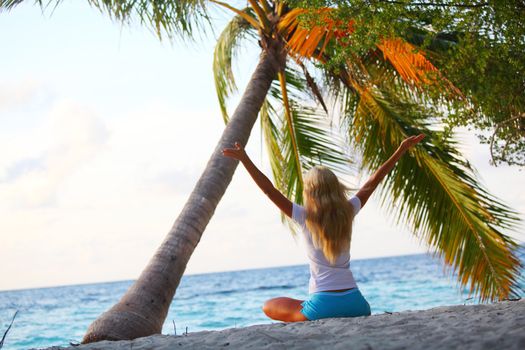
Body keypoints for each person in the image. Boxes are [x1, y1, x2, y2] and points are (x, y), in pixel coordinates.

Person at [222, 134, 425, 322]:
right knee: (304, 303)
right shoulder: (349, 210)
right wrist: (400, 150)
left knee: (268, 305)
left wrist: (245, 159)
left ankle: (316, 304)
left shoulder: (304, 216)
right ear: (336, 187)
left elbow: (268, 190)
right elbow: (374, 181)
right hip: (357, 304)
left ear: (309, 192)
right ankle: (318, 303)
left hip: (322, 307)